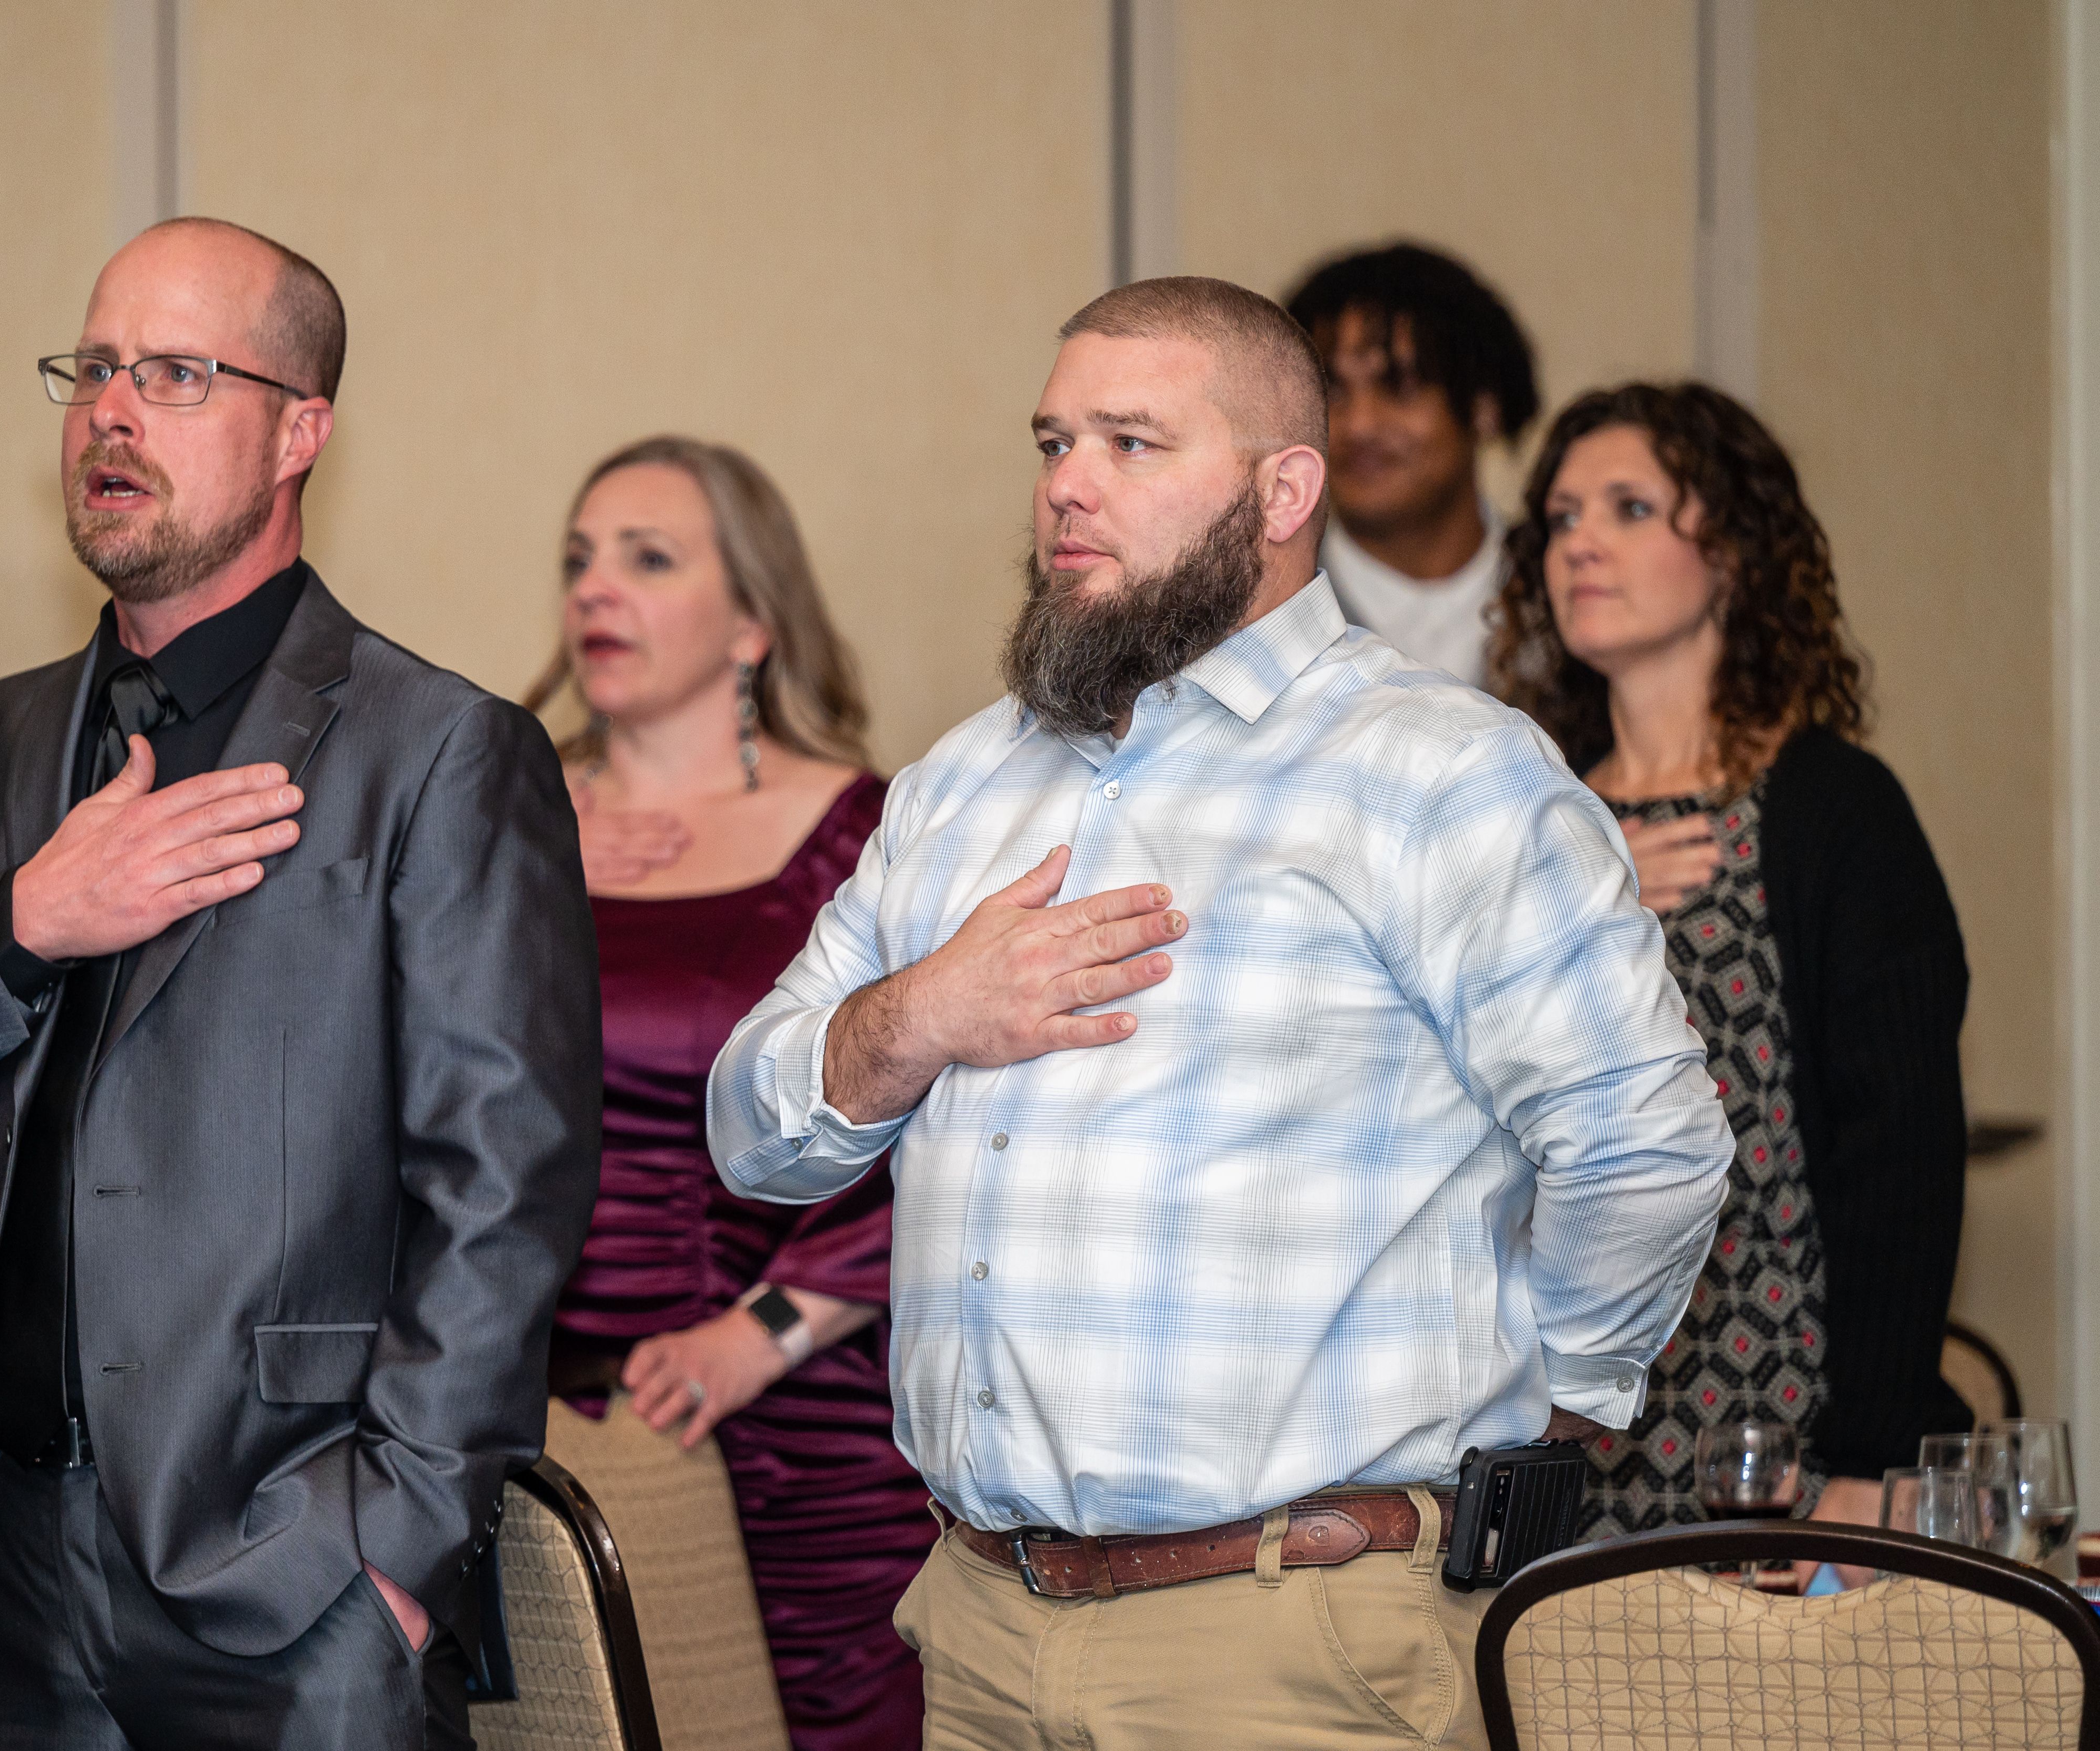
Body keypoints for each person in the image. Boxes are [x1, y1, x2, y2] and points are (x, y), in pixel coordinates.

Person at [708, 275, 1734, 1750]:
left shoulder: (1440, 772)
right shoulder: (961, 783)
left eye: (1131, 444)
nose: (1067, 486)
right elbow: (753, 1132)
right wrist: (922, 1014)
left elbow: (1643, 1147)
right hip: (982, 1628)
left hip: (1296, 1638)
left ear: (1282, 488)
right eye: (1054, 442)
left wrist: (1548, 1407)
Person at [0, 217, 600, 1750]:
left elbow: (504, 1190)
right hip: (4, 1569)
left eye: (176, 373)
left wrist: (389, 1562)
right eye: (92, 370)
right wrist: (19, 922)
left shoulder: (437, 755)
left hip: (297, 1586)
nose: (111, 412)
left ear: (301, 429)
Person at [1491, 382, 1972, 1540]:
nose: (1582, 544)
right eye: (1560, 517)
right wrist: (1582, 884)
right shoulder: (1523, 813)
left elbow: (1900, 1150)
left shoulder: (1831, 810)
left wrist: (1872, 1448)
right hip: (1549, 1434)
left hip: (1783, 1436)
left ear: (1737, 555)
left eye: (1630, 508)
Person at [522, 436, 931, 1750]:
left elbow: (945, 1126)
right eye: (579, 559)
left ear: (753, 620)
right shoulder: (495, 820)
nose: (596, 589)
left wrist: (763, 1330)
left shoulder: (868, 835)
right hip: (532, 1423)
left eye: (647, 558)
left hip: (800, 1423)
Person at [1285, 242, 1538, 689]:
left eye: (1399, 386)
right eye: (1333, 392)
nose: (1359, 426)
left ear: (1485, 406)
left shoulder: (1570, 599)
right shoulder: (1258, 613)